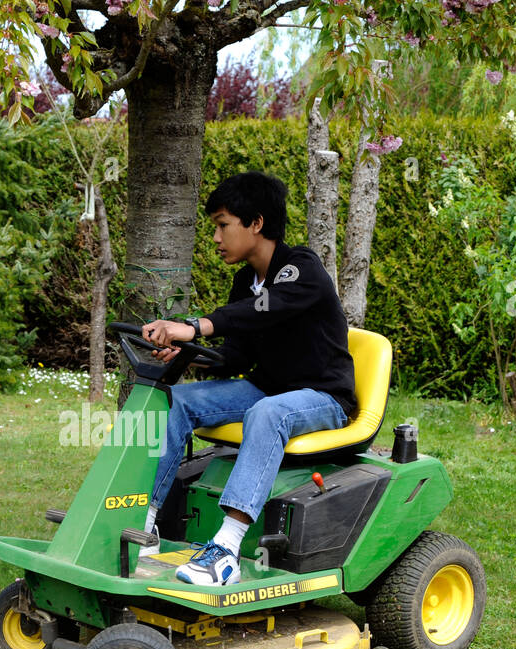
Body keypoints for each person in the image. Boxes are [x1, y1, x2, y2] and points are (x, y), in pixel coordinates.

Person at [138, 171, 357, 586]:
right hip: (267, 387)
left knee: (267, 412)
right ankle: (144, 523)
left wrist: (194, 326)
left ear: (256, 223)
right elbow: (237, 353)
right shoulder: (245, 281)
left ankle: (226, 551)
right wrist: (191, 355)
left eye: (223, 225)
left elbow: (265, 310)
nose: (217, 238)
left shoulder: (301, 269)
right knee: (179, 401)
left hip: (324, 397)